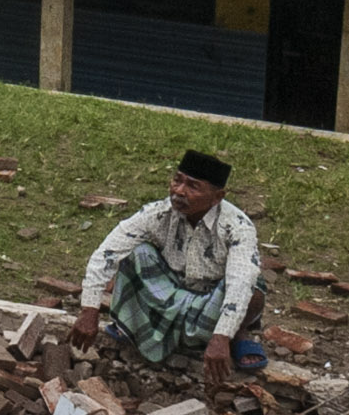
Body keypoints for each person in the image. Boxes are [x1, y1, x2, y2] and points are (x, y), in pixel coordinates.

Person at [73, 149, 264, 384]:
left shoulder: (237, 227)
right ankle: (144, 326)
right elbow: (106, 254)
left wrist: (222, 336)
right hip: (169, 293)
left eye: (193, 186)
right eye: (177, 180)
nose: (179, 191)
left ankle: (235, 335)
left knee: (252, 292)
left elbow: (240, 282)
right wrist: (89, 311)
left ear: (217, 197)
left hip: (210, 300)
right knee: (138, 254)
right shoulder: (157, 214)